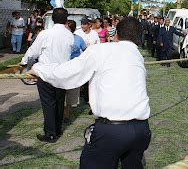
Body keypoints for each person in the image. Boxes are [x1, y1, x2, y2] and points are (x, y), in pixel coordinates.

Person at [30, 17, 151, 168]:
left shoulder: (101, 50)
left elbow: (67, 73)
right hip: (141, 130)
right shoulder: (137, 56)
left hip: (112, 131)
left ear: (116, 35)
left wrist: (39, 69)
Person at [21, 8, 73, 143]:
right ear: (66, 20)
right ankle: (58, 128)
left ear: (52, 19)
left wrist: (23, 63)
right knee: (59, 101)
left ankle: (50, 133)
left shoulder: (45, 34)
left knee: (48, 103)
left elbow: (33, 51)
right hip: (62, 74)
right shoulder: (69, 35)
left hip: (46, 74)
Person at [64, 20, 87, 123]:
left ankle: (66, 114)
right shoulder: (60, 39)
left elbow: (86, 50)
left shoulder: (78, 39)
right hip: (62, 67)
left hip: (73, 69)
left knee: (71, 92)